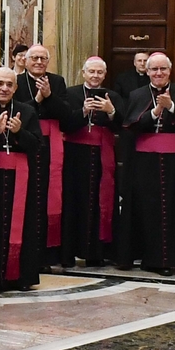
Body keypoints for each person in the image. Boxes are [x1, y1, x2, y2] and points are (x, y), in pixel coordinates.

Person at [116, 52, 175, 274]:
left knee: (168, 209)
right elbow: (129, 127)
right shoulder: (137, 94)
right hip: (143, 162)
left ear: (169, 71)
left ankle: (162, 260)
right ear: (147, 72)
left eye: (162, 69)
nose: (158, 73)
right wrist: (154, 112)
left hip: (174, 161)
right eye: (154, 69)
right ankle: (136, 255)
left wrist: (172, 106)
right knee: (142, 208)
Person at [0, 68, 44, 291]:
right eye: (0, 83)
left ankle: (19, 277)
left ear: (16, 88)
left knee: (21, 225)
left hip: (19, 177)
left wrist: (19, 132)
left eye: (9, 84)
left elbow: (37, 145)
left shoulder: (26, 111)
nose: (4, 88)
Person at [57, 57, 125, 268]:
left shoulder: (112, 96)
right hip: (75, 156)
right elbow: (64, 123)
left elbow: (123, 125)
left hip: (102, 156)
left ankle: (96, 252)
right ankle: (69, 252)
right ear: (83, 73)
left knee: (100, 202)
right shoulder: (70, 93)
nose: (95, 76)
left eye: (99, 72)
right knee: (72, 201)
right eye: (91, 72)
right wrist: (83, 112)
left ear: (104, 75)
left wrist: (111, 111)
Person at [16, 44, 68, 261]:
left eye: (43, 58)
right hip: (26, 142)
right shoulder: (16, 81)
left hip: (51, 145)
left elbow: (65, 112)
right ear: (25, 61)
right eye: (34, 58)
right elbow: (16, 109)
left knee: (50, 194)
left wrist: (49, 96)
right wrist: (38, 99)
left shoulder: (56, 81)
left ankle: (48, 252)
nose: (39, 62)